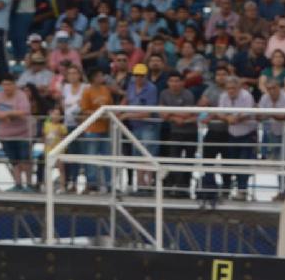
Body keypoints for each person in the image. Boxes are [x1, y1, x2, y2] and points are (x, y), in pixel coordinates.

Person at [0, 73, 32, 192]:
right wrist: (1, 115)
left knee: (25, 160)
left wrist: (6, 114)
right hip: (5, 135)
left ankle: (29, 184)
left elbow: (24, 111)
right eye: (4, 84)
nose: (6, 87)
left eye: (9, 84)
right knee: (14, 161)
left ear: (14, 85)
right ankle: (18, 184)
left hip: (22, 134)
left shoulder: (21, 96)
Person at [119, 63, 159, 192]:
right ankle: (141, 185)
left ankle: (148, 185)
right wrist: (118, 111)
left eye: (141, 75)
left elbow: (147, 113)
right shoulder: (131, 86)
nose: (138, 78)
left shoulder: (151, 89)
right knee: (137, 155)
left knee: (148, 155)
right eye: (136, 75)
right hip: (135, 126)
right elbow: (126, 99)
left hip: (148, 126)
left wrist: (126, 115)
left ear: (146, 76)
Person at [218, 76, 256, 201]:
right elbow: (219, 112)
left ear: (239, 88)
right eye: (228, 88)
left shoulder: (246, 96)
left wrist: (234, 118)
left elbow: (248, 112)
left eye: (233, 88)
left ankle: (242, 191)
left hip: (247, 134)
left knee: (244, 163)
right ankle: (229, 189)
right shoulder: (223, 96)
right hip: (232, 134)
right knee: (231, 162)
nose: (231, 91)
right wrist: (227, 118)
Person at [159, 72, 198, 197]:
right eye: (172, 81)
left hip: (190, 132)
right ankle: (173, 186)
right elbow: (162, 114)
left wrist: (170, 113)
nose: (174, 84)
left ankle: (185, 188)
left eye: (177, 81)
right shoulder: (164, 94)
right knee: (174, 160)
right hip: (174, 132)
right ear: (168, 82)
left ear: (182, 83)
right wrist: (175, 118)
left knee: (189, 161)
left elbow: (187, 113)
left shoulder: (188, 94)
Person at [258, 77, 285, 200]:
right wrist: (270, 113)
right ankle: (282, 191)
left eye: (274, 88)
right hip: (273, 133)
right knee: (279, 164)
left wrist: (269, 113)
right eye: (269, 89)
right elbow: (260, 115)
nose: (271, 91)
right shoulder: (265, 97)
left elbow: (284, 116)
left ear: (279, 87)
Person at [198, 66, 230, 205]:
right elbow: (202, 106)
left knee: (228, 163)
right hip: (213, 130)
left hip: (229, 132)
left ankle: (226, 190)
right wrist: (206, 113)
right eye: (218, 74)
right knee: (207, 161)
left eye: (224, 74)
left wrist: (214, 113)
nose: (221, 77)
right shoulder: (210, 90)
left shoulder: (233, 89)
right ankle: (209, 190)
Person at [79, 68, 113, 192]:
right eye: (99, 75)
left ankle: (109, 184)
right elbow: (84, 109)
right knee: (91, 157)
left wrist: (106, 115)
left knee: (107, 157)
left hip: (105, 128)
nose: (102, 78)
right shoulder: (87, 91)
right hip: (92, 128)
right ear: (93, 78)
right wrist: (98, 113)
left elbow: (110, 105)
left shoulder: (105, 90)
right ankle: (92, 183)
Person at [232, 35, 270, 100]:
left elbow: (263, 80)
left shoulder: (266, 61)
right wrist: (238, 82)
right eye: (258, 43)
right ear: (252, 43)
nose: (260, 46)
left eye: (263, 44)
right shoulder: (239, 56)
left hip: (256, 90)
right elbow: (231, 69)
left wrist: (246, 80)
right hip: (237, 87)